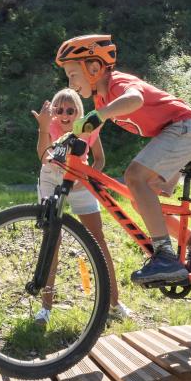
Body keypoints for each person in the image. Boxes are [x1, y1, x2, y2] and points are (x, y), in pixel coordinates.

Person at [55, 34, 191, 286]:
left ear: (94, 68)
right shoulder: (101, 99)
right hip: (176, 133)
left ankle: (165, 257)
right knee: (141, 201)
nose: (70, 84)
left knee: (134, 177)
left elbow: (135, 99)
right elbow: (92, 129)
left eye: (72, 75)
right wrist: (69, 138)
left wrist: (98, 115)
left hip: (183, 128)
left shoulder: (116, 83)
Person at [32, 88, 132, 325]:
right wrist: (43, 128)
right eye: (60, 110)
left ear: (79, 111)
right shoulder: (51, 126)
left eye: (71, 110)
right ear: (53, 111)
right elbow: (43, 156)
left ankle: (114, 303)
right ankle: (45, 309)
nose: (65, 115)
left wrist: (86, 179)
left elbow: (99, 159)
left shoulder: (89, 127)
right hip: (51, 178)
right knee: (51, 241)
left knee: (98, 240)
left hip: (80, 179)